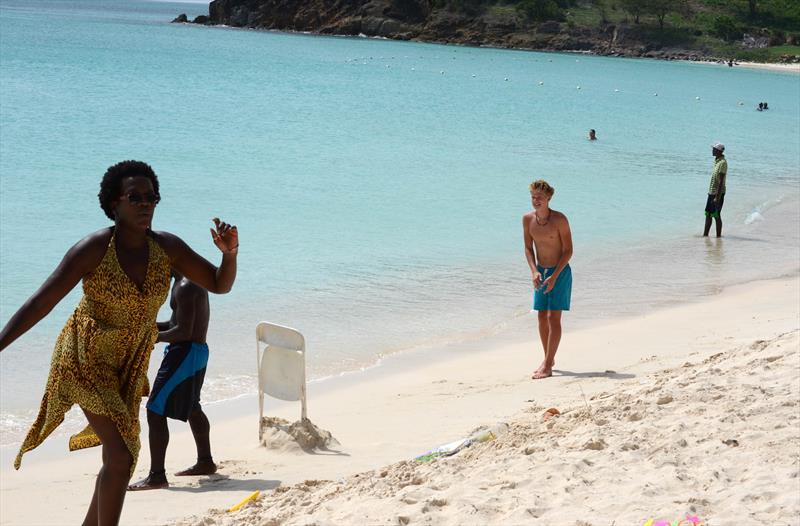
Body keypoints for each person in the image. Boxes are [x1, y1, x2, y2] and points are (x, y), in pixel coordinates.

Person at [0, 160, 239, 526]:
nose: (146, 203)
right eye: (135, 197)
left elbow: (219, 284)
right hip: (83, 359)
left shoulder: (168, 248)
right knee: (123, 453)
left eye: (151, 197)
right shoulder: (94, 248)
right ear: (115, 203)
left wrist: (229, 254)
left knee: (117, 457)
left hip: (126, 367)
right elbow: (42, 302)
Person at [128, 271, 216, 491]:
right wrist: (148, 327)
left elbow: (184, 332)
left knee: (155, 410)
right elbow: (176, 323)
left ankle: (157, 476)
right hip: (193, 352)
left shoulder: (186, 286)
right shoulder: (186, 281)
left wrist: (150, 338)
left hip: (185, 353)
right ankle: (205, 461)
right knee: (192, 407)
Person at [523, 180, 573, 380]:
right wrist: (534, 271)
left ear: (549, 198)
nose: (536, 201)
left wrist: (555, 275)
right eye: (533, 197)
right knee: (541, 316)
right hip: (541, 273)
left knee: (554, 318)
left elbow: (569, 250)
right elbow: (527, 248)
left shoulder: (559, 219)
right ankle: (548, 359)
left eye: (540, 198)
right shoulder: (527, 219)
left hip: (559, 272)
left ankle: (547, 365)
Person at [704, 143, 728, 238]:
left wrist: (717, 197)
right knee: (708, 214)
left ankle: (718, 238)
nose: (712, 150)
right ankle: (705, 235)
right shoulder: (717, 161)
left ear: (719, 151)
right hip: (711, 192)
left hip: (718, 193)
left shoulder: (723, 163)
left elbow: (721, 181)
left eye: (714, 149)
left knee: (716, 215)